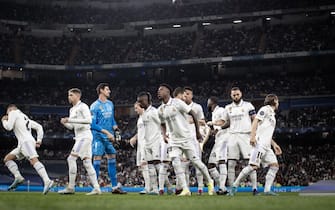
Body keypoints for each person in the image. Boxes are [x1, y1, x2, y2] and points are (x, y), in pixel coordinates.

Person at [157, 84, 214, 196]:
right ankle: (185, 189)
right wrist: (164, 134)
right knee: (175, 162)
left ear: (168, 92)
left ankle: (210, 181)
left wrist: (198, 132)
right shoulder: (160, 109)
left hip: (186, 138)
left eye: (161, 90)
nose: (158, 92)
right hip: (173, 140)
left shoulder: (177, 103)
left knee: (196, 162)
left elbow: (192, 113)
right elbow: (162, 123)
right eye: (158, 90)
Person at [229, 94, 282, 196]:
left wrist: (274, 144)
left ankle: (267, 190)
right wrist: (252, 137)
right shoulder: (265, 109)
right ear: (274, 101)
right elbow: (255, 121)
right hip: (259, 144)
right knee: (253, 166)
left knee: (275, 166)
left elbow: (266, 131)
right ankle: (234, 186)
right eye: (278, 101)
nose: (278, 103)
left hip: (267, 146)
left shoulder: (272, 114)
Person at [1, 104, 53, 194]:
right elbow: (39, 127)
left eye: (7, 113)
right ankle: (18, 177)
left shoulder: (13, 112)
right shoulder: (25, 117)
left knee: (33, 160)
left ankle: (47, 181)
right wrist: (39, 140)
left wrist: (4, 121)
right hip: (23, 144)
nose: (8, 116)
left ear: (10, 110)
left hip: (26, 142)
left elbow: (8, 127)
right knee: (7, 159)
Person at [58, 88, 101, 195]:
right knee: (87, 163)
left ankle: (71, 187)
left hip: (84, 136)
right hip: (80, 137)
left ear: (77, 96)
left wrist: (70, 119)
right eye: (68, 95)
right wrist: (65, 123)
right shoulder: (72, 110)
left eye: (71, 95)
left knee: (71, 159)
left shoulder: (83, 106)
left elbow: (89, 121)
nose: (69, 97)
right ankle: (96, 188)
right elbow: (72, 127)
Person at [90, 83, 126, 194]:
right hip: (98, 137)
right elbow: (92, 124)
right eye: (107, 89)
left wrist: (116, 129)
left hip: (110, 137)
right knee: (97, 160)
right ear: (101, 90)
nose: (109, 91)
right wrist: (106, 132)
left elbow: (112, 120)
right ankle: (95, 188)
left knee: (112, 158)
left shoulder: (110, 104)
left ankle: (114, 187)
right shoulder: (94, 106)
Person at [223, 87, 258, 194]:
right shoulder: (228, 108)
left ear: (241, 94)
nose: (236, 96)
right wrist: (218, 127)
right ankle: (232, 189)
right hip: (233, 136)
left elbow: (255, 119)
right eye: (234, 95)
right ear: (231, 95)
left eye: (237, 94)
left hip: (246, 136)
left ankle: (254, 188)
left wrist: (254, 134)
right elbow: (227, 122)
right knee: (231, 163)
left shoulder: (248, 105)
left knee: (250, 162)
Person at [136, 92, 164, 195]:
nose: (139, 103)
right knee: (150, 166)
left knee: (157, 164)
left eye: (140, 101)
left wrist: (164, 136)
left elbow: (162, 123)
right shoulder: (143, 114)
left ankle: (162, 187)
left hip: (155, 142)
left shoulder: (154, 112)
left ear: (145, 101)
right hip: (146, 143)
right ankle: (155, 189)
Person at [206, 96, 229, 195]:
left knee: (221, 161)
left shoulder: (221, 110)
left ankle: (222, 188)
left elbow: (226, 122)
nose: (207, 103)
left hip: (225, 138)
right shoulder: (214, 113)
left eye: (208, 101)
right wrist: (213, 131)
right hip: (218, 139)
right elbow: (217, 126)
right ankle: (222, 187)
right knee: (211, 165)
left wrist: (214, 124)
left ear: (212, 102)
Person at [129, 102, 151, 194]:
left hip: (147, 144)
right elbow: (141, 131)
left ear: (141, 107)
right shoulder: (140, 118)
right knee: (142, 166)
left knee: (145, 165)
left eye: (136, 108)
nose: (135, 110)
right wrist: (135, 137)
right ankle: (168, 186)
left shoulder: (148, 116)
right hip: (140, 144)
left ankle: (148, 187)